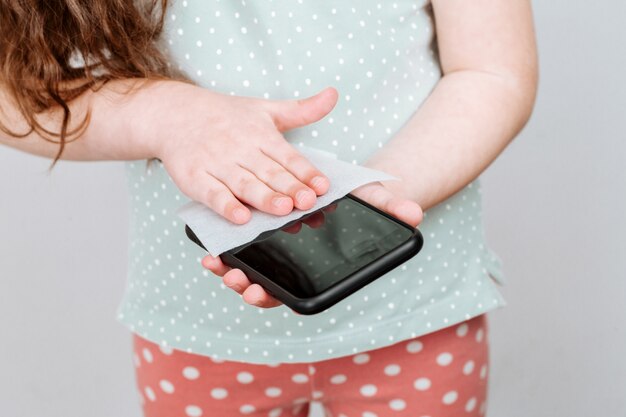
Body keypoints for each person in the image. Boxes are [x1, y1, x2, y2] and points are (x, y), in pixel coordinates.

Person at [0, 0, 537, 416]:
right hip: (197, 328)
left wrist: (382, 194)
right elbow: (14, 95)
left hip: (415, 312)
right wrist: (164, 115)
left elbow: (491, 73)